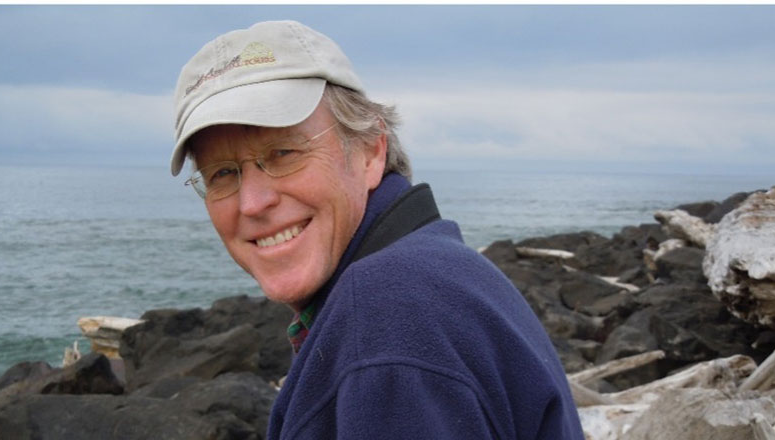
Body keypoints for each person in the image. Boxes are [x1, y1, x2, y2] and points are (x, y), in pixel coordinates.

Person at [170, 20, 584, 440]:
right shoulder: (435, 269)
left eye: (282, 153)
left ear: (370, 150)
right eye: (222, 173)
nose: (253, 203)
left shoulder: (386, 315)